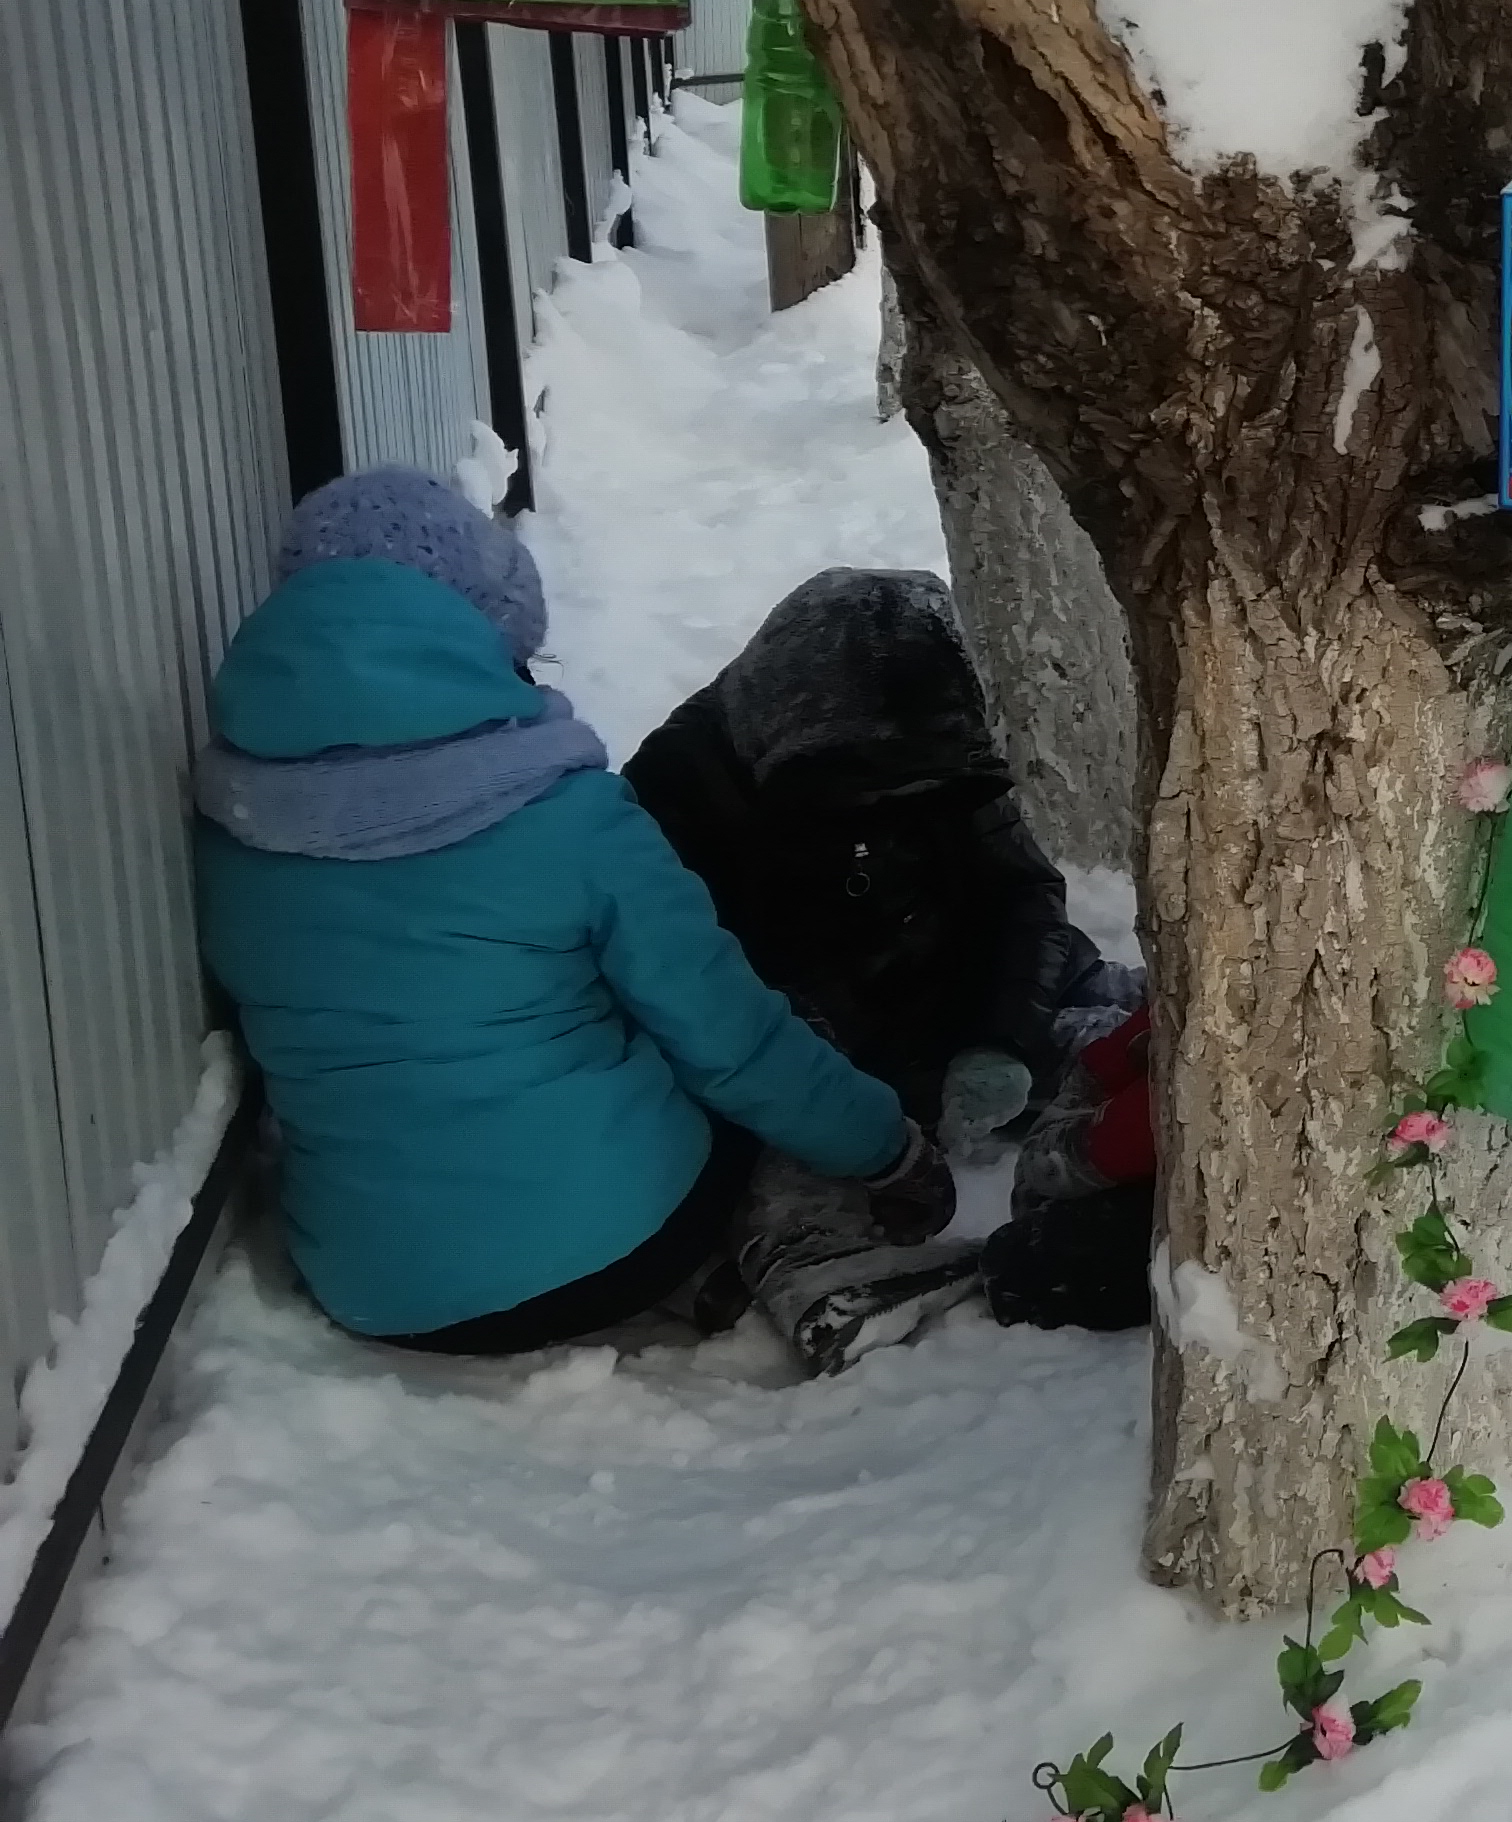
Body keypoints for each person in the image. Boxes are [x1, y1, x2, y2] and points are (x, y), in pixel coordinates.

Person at [191, 470, 959, 1372]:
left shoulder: (237, 820)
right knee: (767, 1032)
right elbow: (735, 1044)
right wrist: (888, 1149)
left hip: (378, 1288)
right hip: (615, 1245)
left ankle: (703, 1282)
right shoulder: (567, 816)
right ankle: (808, 1260)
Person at [621, 567, 1151, 1332]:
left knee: (1127, 1038)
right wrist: (869, 1124)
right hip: (800, 1051)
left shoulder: (937, 754)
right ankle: (830, 1282)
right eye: (868, 797)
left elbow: (1023, 896)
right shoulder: (673, 798)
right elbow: (715, 1012)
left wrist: (1000, 1037)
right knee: (754, 1154)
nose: (892, 814)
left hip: (944, 1003)